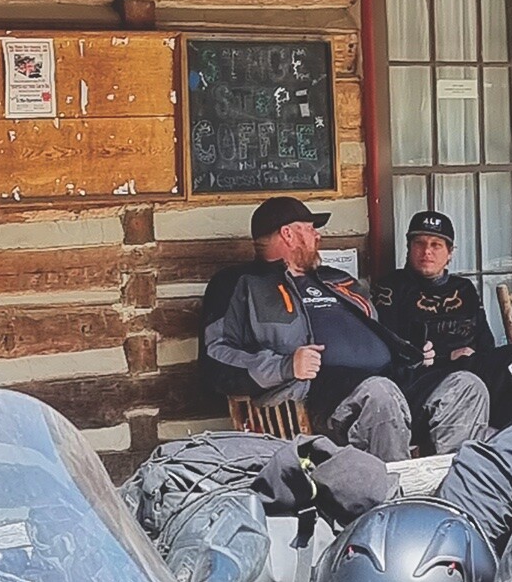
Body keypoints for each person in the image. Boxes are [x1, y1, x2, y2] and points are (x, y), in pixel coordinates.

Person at [202, 195, 489, 462]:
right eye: (310, 229)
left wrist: (409, 352)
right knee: (381, 395)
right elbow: (216, 358)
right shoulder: (240, 284)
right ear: (288, 234)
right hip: (320, 398)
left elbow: (376, 331)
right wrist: (285, 367)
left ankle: (455, 495)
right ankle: (394, 505)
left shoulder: (337, 280)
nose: (318, 236)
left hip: (388, 383)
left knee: (466, 387)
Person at [372, 209, 512, 429]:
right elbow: (390, 352)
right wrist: (446, 356)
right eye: (420, 243)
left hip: (475, 369)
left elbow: (486, 343)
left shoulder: (463, 289)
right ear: (409, 248)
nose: (427, 251)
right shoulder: (391, 288)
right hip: (426, 381)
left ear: (450, 252)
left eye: (436, 245)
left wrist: (476, 356)